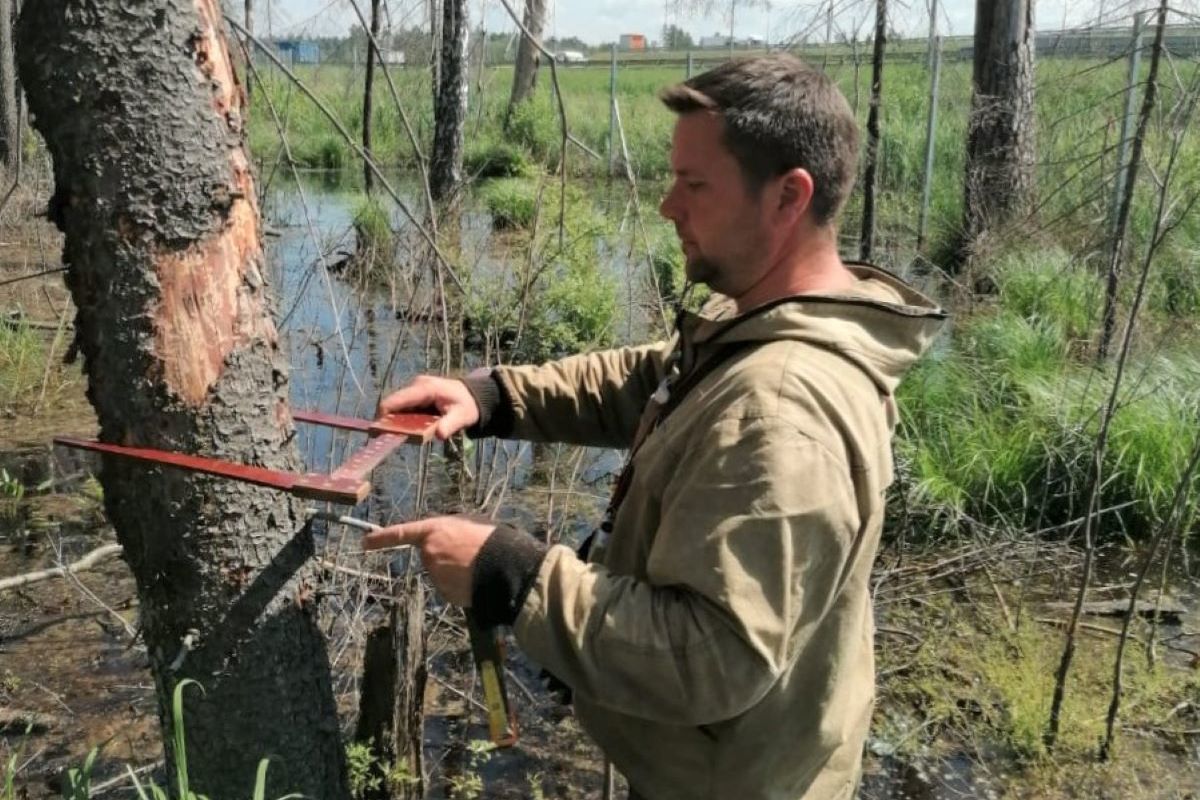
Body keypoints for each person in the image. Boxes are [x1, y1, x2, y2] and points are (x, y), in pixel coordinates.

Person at [364, 54, 945, 800]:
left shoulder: (782, 410)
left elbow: (711, 659)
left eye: (694, 184)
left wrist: (510, 575)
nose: (669, 206)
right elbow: (659, 377)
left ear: (788, 197)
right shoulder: (762, 329)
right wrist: (495, 396)